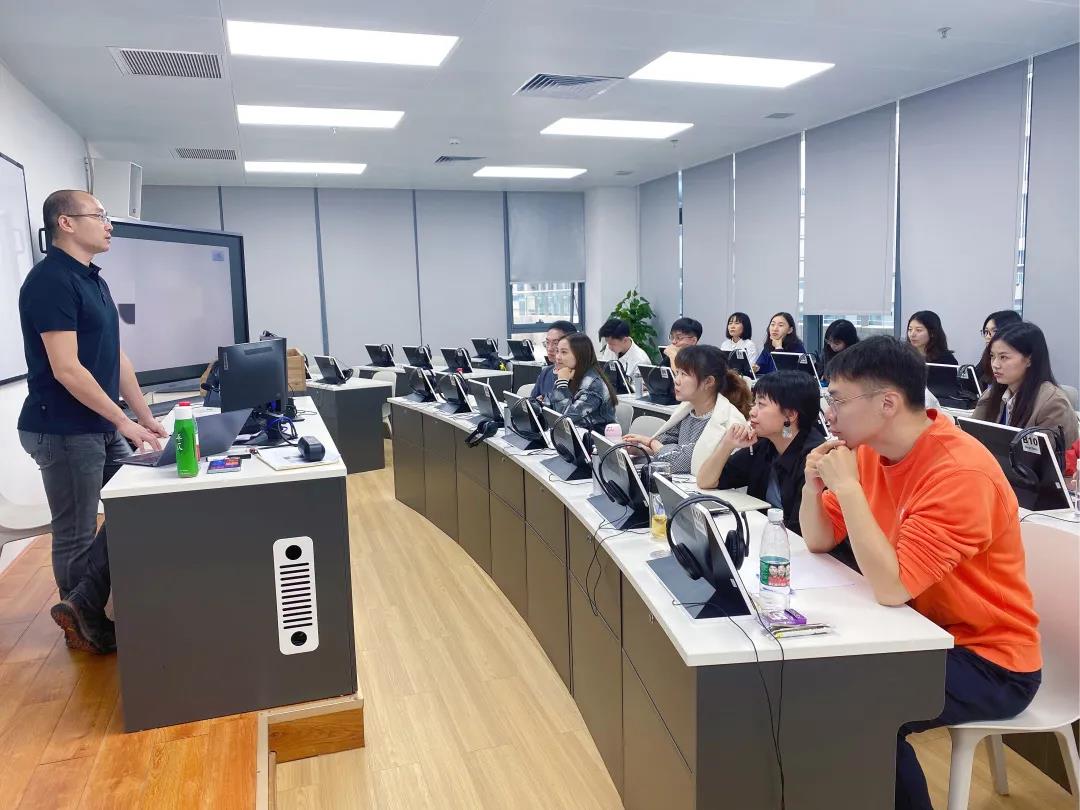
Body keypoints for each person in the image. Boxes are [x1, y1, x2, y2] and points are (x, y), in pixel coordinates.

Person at [798, 336, 1041, 810]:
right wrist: (814, 485)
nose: (829, 413)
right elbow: (818, 540)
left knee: (864, 709)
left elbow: (893, 588)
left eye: (838, 399)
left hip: (990, 659)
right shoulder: (870, 451)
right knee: (816, 681)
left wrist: (848, 490)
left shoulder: (960, 473)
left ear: (887, 403)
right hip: (917, 632)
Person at [18, 190, 168, 655]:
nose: (109, 224)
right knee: (76, 532)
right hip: (62, 428)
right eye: (99, 215)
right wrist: (123, 422)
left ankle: (84, 602)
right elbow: (66, 369)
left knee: (134, 504)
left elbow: (116, 358)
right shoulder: (50, 281)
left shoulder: (93, 280)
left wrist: (145, 418)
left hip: (98, 423)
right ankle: (79, 625)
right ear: (65, 222)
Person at [695, 371, 824, 534]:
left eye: (761, 405)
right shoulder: (764, 444)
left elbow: (803, 531)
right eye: (754, 403)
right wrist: (727, 444)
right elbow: (706, 481)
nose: (752, 412)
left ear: (790, 415)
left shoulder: (815, 458)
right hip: (765, 534)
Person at [622, 345, 750, 475]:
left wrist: (651, 443)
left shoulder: (729, 422)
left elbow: (681, 462)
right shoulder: (688, 410)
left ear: (708, 381)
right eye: (677, 372)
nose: (676, 381)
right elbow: (666, 442)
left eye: (684, 374)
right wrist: (640, 449)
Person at [972, 322, 1079, 447]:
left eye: (1003, 357)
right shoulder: (991, 394)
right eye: (992, 356)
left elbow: (1050, 456)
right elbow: (970, 435)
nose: (995, 364)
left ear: (1029, 360)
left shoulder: (1052, 403)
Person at [548, 332, 618, 432]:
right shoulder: (570, 375)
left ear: (580, 355)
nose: (558, 357)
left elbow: (564, 420)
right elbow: (551, 409)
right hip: (573, 435)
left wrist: (562, 383)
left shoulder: (593, 385)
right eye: (557, 351)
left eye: (564, 352)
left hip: (595, 439)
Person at [974, 309, 1022, 388]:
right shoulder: (987, 354)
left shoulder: (1017, 357)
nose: (988, 336)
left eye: (995, 331)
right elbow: (976, 377)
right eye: (986, 332)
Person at [532, 320, 577, 402]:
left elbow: (569, 408)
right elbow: (532, 401)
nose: (549, 348)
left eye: (556, 343)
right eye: (547, 342)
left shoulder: (579, 376)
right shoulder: (546, 372)